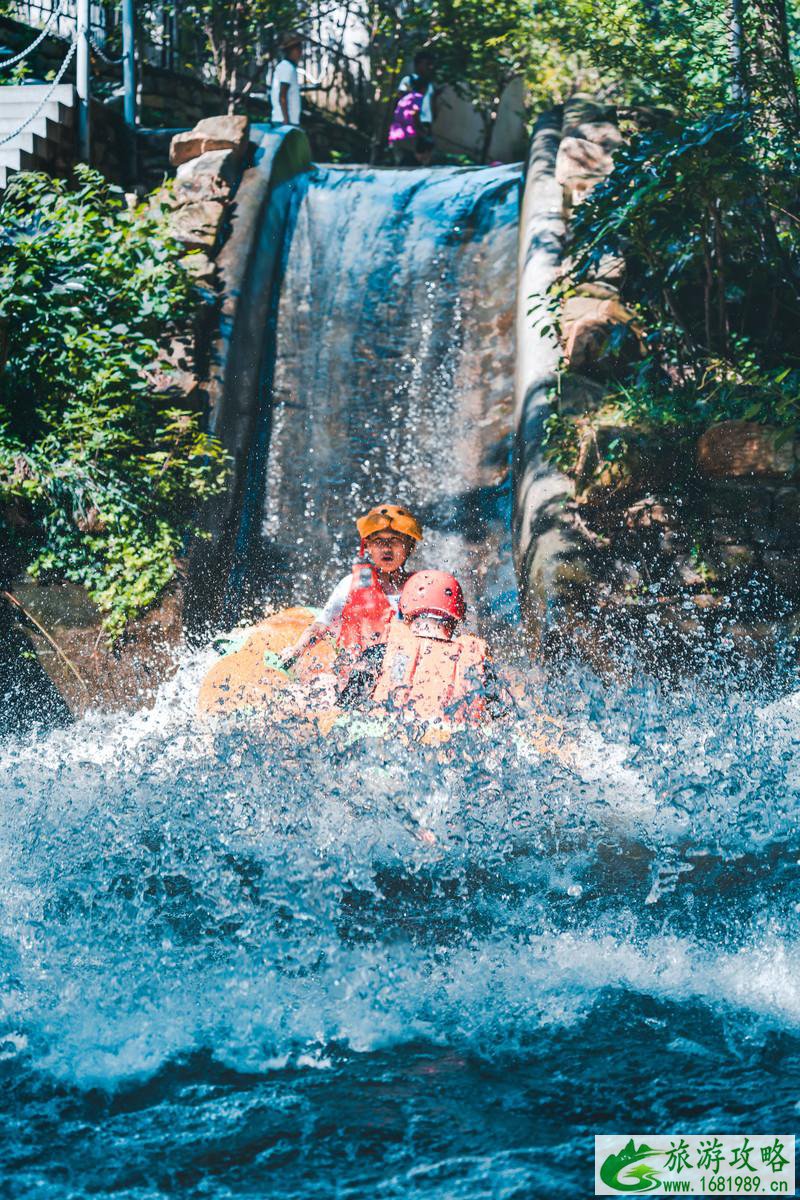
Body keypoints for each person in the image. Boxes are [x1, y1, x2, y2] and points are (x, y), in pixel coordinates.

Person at [280, 504, 423, 667]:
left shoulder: (422, 588)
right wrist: (296, 650)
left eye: (395, 540)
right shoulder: (351, 584)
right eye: (378, 541)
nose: (386, 548)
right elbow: (320, 626)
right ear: (367, 546)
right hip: (355, 678)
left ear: (410, 546)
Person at [387, 49, 437, 166]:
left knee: (423, 156)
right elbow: (402, 102)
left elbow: (430, 104)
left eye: (431, 65)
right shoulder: (409, 80)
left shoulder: (428, 84)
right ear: (418, 64)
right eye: (426, 64)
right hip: (411, 126)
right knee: (409, 158)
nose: (429, 68)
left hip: (424, 123)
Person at [270, 32, 303, 126]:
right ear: (293, 51)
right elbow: (282, 95)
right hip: (285, 121)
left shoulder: (287, 67)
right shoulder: (287, 67)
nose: (300, 53)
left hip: (287, 120)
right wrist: (286, 120)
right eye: (299, 50)